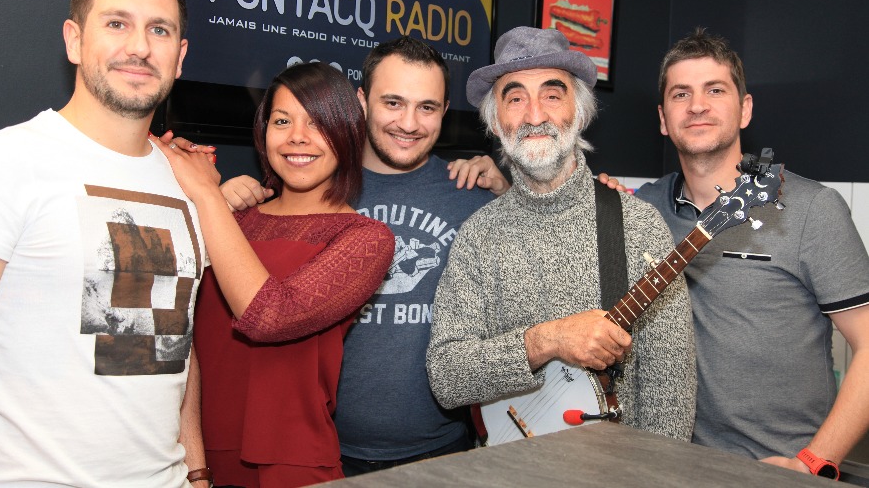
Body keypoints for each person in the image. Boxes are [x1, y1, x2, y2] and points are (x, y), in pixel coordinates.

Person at [215, 36, 508, 475]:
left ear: (445, 111)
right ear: (361, 101)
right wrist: (226, 198)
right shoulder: (311, 185)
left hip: (443, 449)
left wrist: (508, 191)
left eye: (427, 107)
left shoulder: (471, 194)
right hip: (323, 452)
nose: (408, 123)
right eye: (393, 102)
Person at [0, 0, 209, 487]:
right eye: (117, 23)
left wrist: (198, 472)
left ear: (180, 55)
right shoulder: (11, 160)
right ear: (74, 39)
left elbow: (175, 344)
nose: (139, 47)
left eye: (159, 30)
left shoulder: (188, 182)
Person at [426, 26, 697, 441]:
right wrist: (545, 340)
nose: (535, 115)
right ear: (496, 122)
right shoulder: (478, 237)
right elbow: (446, 377)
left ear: (581, 113)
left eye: (552, 95)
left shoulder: (639, 226)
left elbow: (670, 395)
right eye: (515, 98)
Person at [632, 28, 869, 477]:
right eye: (681, 94)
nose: (697, 105)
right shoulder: (643, 209)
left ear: (745, 109)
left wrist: (814, 462)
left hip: (774, 470)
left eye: (714, 90)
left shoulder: (812, 209)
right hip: (665, 464)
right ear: (663, 119)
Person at [155, 62, 394, 488]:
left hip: (289, 459)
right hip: (192, 453)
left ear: (348, 132)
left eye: (317, 122)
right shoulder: (232, 216)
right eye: (282, 121)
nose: (297, 136)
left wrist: (206, 196)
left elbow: (269, 317)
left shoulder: (364, 238)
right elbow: (173, 326)